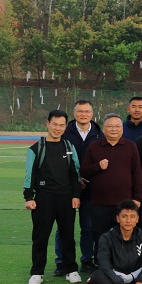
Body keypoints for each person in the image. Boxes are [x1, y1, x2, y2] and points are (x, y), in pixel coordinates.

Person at [24, 110, 83, 284]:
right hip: (44, 198)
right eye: (55, 124)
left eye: (62, 125)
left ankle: (71, 270)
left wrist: (76, 195)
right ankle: (37, 272)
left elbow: (76, 173)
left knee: (68, 236)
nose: (58, 128)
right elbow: (29, 175)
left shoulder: (69, 147)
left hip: (66, 198)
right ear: (47, 124)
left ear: (66, 127)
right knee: (40, 236)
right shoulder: (36, 148)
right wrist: (29, 197)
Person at [81, 113, 142, 259]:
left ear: (122, 128)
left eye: (117, 126)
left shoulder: (131, 146)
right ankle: (101, 265)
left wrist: (137, 198)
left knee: (124, 237)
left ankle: (123, 265)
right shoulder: (94, 147)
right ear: (104, 128)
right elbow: (83, 171)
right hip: (99, 203)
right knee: (100, 237)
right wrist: (98, 166)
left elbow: (137, 173)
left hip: (124, 204)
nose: (113, 129)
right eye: (110, 126)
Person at [59, 99, 103, 274]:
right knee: (63, 227)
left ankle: (87, 260)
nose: (83, 114)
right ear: (74, 112)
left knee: (88, 227)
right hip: (68, 188)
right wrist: (76, 179)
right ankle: (62, 262)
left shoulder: (100, 134)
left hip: (91, 189)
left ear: (92, 114)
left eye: (87, 111)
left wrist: (87, 177)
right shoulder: (65, 133)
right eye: (80, 111)